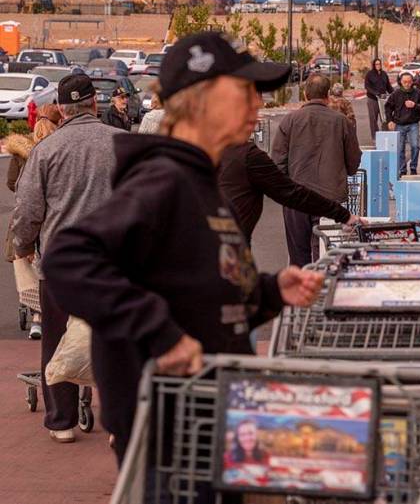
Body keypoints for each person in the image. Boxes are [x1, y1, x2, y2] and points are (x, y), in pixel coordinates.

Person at [42, 32, 322, 465]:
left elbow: (210, 297)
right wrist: (159, 333)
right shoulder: (163, 179)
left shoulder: (201, 184)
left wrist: (272, 291)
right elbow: (69, 256)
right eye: (245, 93)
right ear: (203, 99)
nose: (257, 106)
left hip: (211, 419)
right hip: (172, 431)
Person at [10, 74, 126, 444]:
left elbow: (27, 210)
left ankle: (62, 422)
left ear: (61, 109)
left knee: (57, 340)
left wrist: (22, 244)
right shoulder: (125, 144)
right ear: (95, 103)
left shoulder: (46, 150)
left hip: (61, 265)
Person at [273, 74, 362, 266]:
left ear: (305, 94)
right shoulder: (341, 122)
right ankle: (323, 293)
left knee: (298, 256)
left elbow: (278, 164)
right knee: (325, 255)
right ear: (328, 95)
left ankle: (302, 293)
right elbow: (354, 163)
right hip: (330, 199)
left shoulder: (289, 121)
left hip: (296, 198)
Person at [218, 140, 360, 244]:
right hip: (229, 251)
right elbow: (291, 193)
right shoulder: (245, 155)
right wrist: (342, 214)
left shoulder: (203, 148)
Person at [5, 105, 61, 340]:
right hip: (55, 216)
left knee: (27, 263)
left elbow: (11, 182)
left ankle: (36, 315)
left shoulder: (21, 150)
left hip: (27, 215)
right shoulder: (60, 147)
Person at [385, 73, 420, 176]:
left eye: (409, 82)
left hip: (413, 123)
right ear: (401, 82)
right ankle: (402, 169)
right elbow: (388, 107)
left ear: (412, 82)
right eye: (405, 82)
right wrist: (389, 120)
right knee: (400, 148)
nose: (407, 84)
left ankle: (413, 167)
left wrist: (415, 105)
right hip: (399, 124)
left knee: (415, 146)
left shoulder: (417, 93)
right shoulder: (396, 93)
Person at [364, 58, 392, 140]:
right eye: (376, 64)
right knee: (373, 119)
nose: (378, 65)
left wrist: (394, 93)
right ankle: (375, 137)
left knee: (384, 117)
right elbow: (367, 86)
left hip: (383, 99)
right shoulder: (369, 74)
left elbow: (388, 86)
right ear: (373, 65)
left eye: (379, 64)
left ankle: (385, 135)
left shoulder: (384, 74)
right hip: (373, 99)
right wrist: (375, 93)